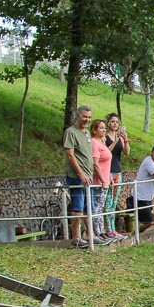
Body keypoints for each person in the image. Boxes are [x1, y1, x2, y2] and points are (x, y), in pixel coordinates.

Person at [62, 105, 94, 248]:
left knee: (88, 208)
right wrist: (80, 173)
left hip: (89, 176)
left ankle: (91, 236)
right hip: (76, 176)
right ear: (78, 116)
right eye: (85, 116)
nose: (87, 119)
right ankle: (76, 238)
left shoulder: (87, 133)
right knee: (77, 208)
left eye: (89, 117)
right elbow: (70, 154)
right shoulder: (71, 132)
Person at [103, 114, 130, 239]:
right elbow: (106, 151)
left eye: (117, 122)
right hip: (108, 172)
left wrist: (125, 139)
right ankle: (108, 229)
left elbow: (126, 152)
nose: (115, 124)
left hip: (118, 171)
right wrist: (115, 141)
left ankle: (113, 229)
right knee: (108, 202)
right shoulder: (105, 137)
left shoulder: (119, 137)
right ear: (108, 123)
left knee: (114, 202)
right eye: (112, 121)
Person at [89, 119, 115, 245]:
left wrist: (108, 176)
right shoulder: (94, 143)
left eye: (105, 128)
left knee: (100, 207)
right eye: (101, 128)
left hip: (105, 180)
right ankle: (97, 232)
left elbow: (105, 163)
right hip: (98, 182)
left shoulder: (102, 142)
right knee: (96, 208)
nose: (104, 130)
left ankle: (101, 231)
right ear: (94, 130)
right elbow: (95, 164)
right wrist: (103, 179)